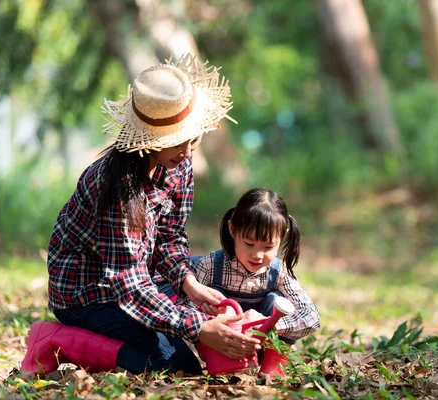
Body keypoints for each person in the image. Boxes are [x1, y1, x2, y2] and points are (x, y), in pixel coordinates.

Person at [20, 53, 261, 377]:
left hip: (138, 275)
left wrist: (188, 285)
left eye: (194, 138)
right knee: (174, 366)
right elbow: (130, 289)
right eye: (178, 142)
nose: (188, 152)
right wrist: (200, 328)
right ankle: (56, 340)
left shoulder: (177, 163)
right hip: (89, 294)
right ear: (149, 142)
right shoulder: (116, 190)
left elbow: (170, 236)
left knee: (207, 286)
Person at [176, 188, 321, 375]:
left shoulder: (279, 272)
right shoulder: (211, 265)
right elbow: (181, 308)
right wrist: (206, 314)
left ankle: (271, 370)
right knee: (209, 295)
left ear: (282, 236)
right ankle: (227, 367)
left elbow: (312, 316)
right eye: (249, 244)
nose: (258, 255)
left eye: (268, 246)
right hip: (221, 346)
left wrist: (268, 323)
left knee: (277, 300)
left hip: (261, 346)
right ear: (233, 230)